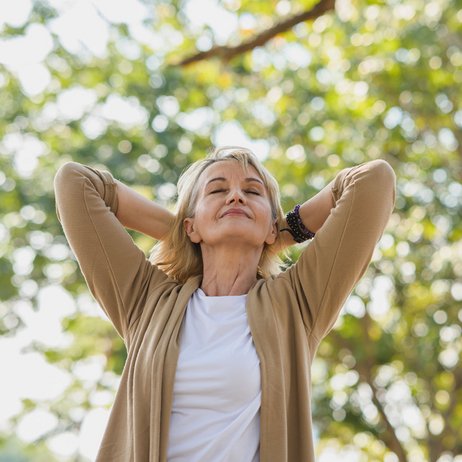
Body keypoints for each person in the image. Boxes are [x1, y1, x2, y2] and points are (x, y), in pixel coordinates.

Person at [54, 146, 396, 462]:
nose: (235, 195)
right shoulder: (146, 300)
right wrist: (183, 232)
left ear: (271, 228)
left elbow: (373, 181)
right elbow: (76, 183)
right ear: (191, 225)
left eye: (252, 192)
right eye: (217, 190)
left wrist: (281, 232)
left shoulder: (297, 302)